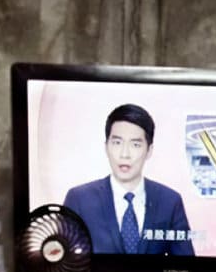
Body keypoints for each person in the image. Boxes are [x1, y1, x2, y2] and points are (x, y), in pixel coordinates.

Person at [62, 103, 195, 256]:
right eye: (117, 143)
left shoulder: (170, 201)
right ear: (106, 147)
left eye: (135, 145)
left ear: (149, 151)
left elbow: (186, 266)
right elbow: (63, 262)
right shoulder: (79, 199)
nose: (124, 154)